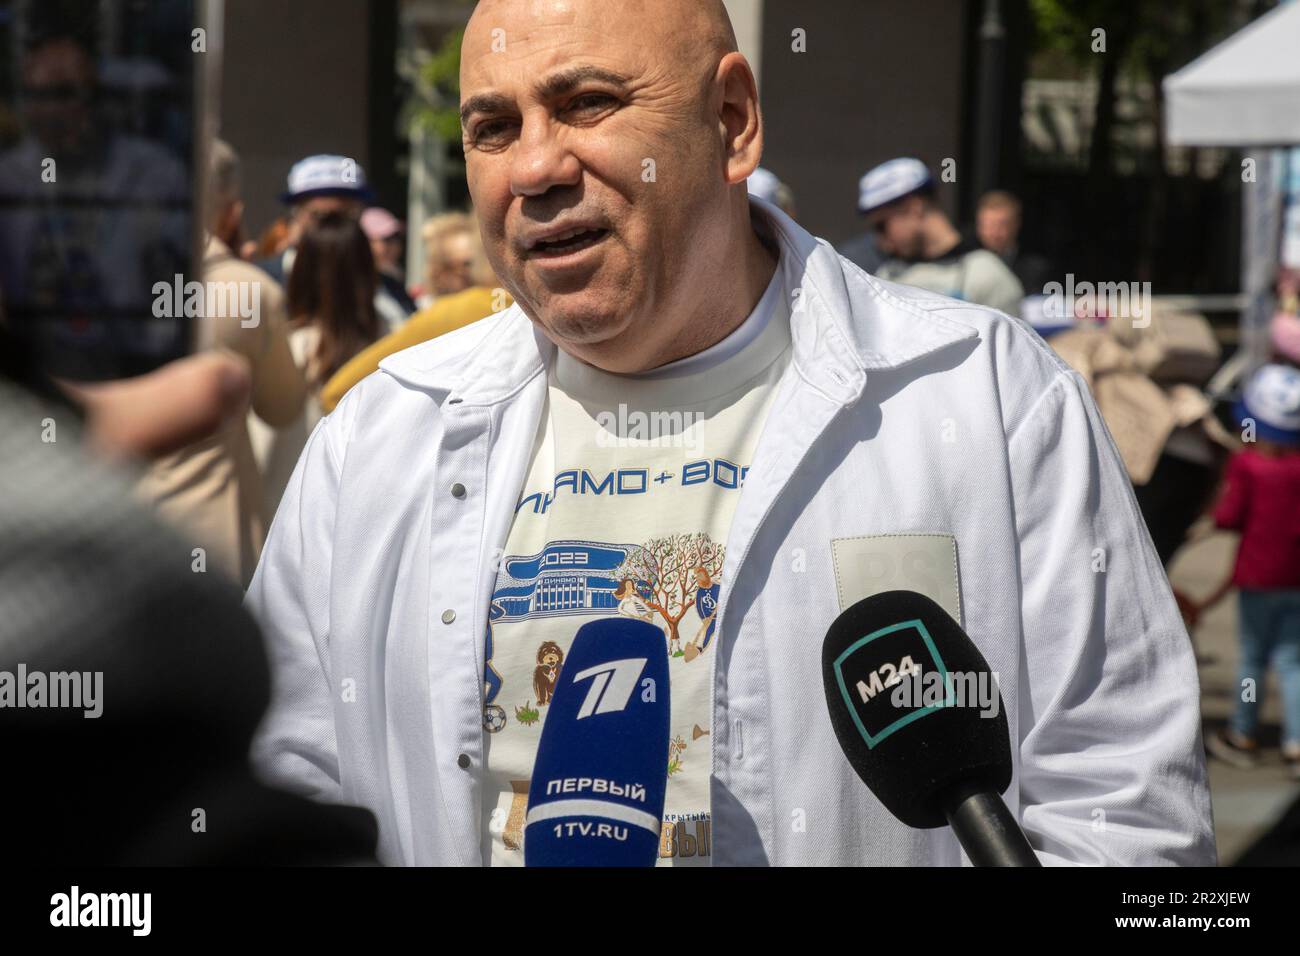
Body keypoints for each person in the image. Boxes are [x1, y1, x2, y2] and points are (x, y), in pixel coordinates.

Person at [246, 0, 1214, 867]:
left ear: (732, 121)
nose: (535, 167)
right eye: (492, 127)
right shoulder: (377, 434)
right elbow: (282, 788)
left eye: (585, 102)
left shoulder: (990, 402)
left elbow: (1123, 813)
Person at [136, 139, 307, 588]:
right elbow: (284, 408)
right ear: (231, 211)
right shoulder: (246, 291)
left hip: (99, 538)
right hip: (212, 548)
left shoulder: (85, 282)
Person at [1191, 364, 1300, 780]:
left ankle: (1243, 735)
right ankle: (1294, 743)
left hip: (1256, 578)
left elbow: (1231, 514)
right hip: (1295, 579)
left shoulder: (1248, 465)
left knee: (1252, 659)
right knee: (1292, 662)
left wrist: (1207, 520)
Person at [248, 211, 382, 523]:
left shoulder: (287, 346)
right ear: (366, 270)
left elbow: (262, 450)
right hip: (370, 521)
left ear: (302, 272)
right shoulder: (397, 342)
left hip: (291, 521)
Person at [319, 217, 504, 413]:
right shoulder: (445, 314)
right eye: (465, 263)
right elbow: (337, 393)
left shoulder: (490, 306)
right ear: (438, 270)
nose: (470, 271)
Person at [256, 154, 410, 333]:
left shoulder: (387, 288)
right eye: (320, 216)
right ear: (296, 216)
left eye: (345, 216)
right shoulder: (261, 282)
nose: (332, 228)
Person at [858, 157, 1024, 316]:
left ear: (915, 208)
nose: (882, 241)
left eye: (882, 226)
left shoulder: (987, 276)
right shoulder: (887, 276)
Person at [975, 190, 1054, 295]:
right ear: (978, 226)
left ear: (1016, 225)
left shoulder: (1035, 268)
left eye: (1002, 225)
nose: (995, 232)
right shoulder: (962, 263)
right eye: (989, 225)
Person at [361, 206, 419, 328]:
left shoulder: (392, 283)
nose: (394, 245)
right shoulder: (355, 289)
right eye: (386, 239)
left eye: (396, 237)